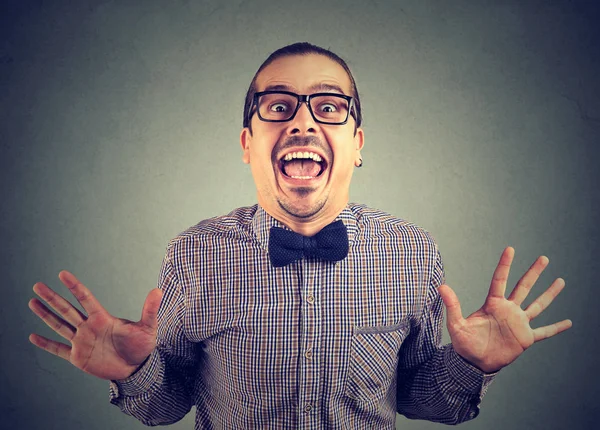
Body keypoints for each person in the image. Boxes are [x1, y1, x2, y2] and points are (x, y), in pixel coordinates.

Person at [28, 42, 572, 429]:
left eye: (329, 107)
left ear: (357, 143)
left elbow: (422, 400)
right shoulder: (192, 253)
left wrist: (471, 366)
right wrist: (136, 373)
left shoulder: (412, 252)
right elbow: (168, 405)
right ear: (248, 143)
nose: (303, 123)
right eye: (279, 106)